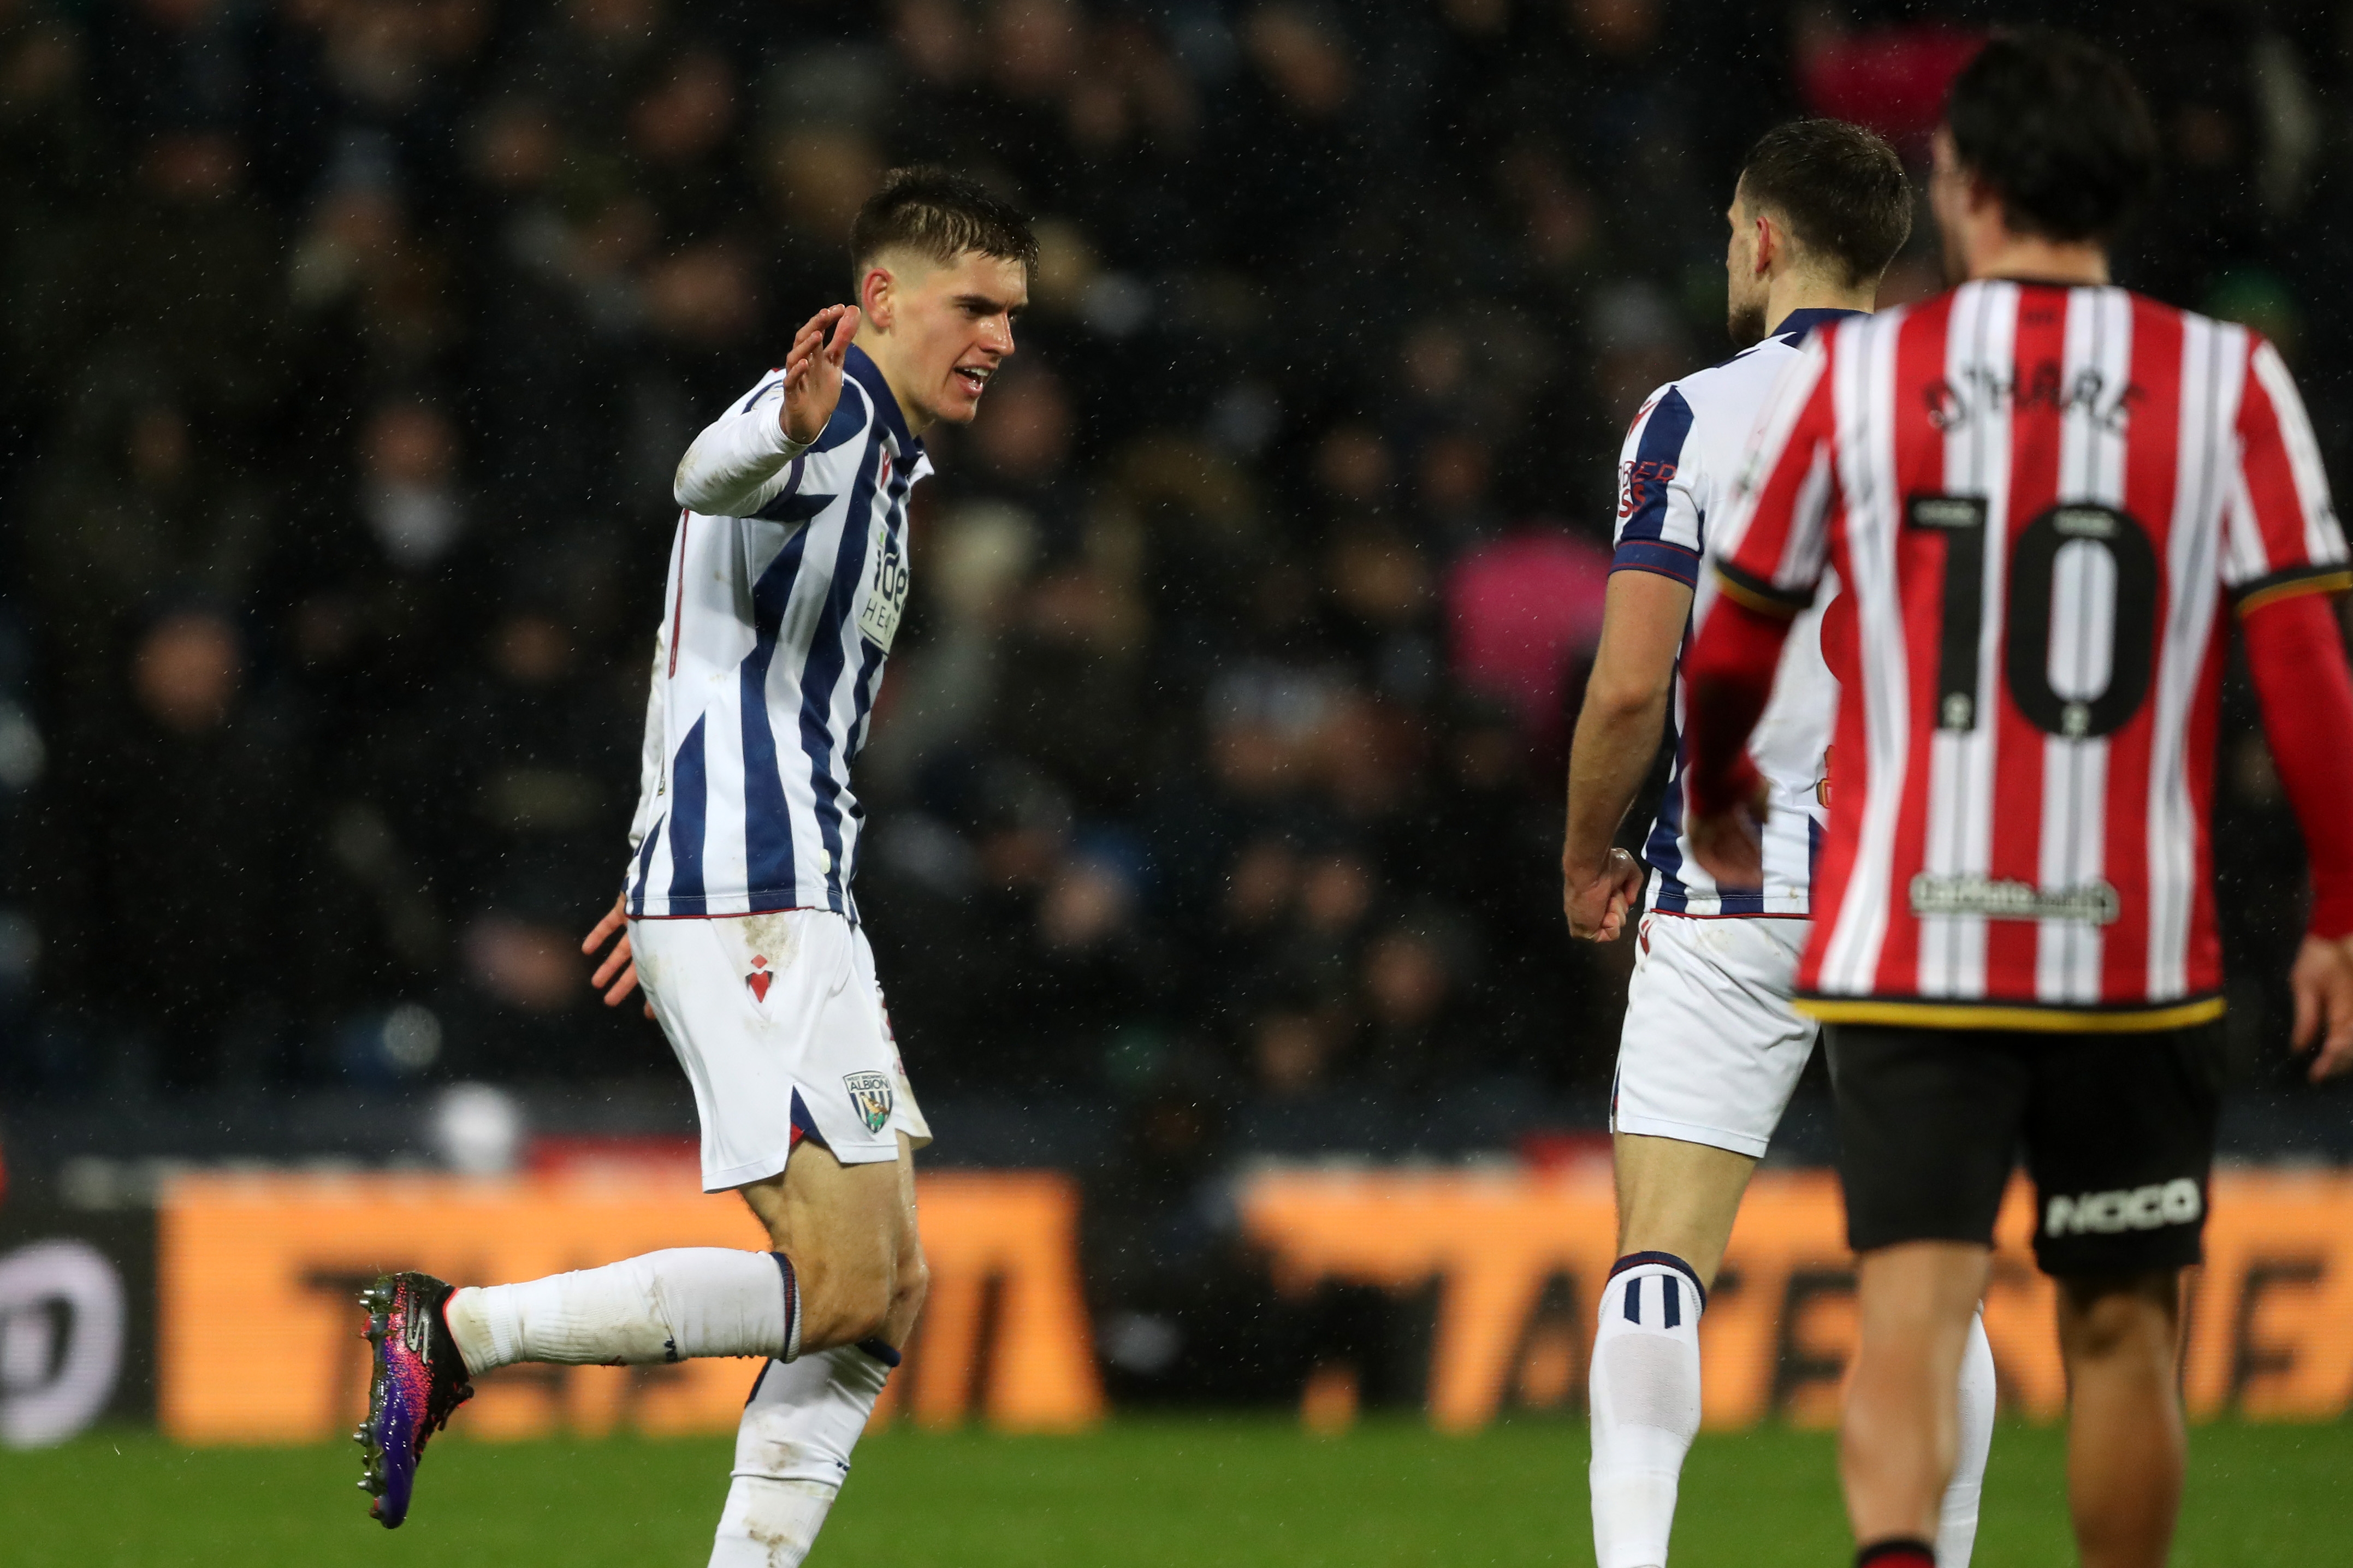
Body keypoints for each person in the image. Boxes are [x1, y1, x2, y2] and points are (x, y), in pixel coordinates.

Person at [1679, 33, 2353, 1568]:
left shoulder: (1865, 379)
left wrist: (1715, 784)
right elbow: (2305, 666)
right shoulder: (2222, 380)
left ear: (1963, 188)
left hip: (1915, 936)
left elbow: (1737, 635)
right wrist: (2336, 909)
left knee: (1909, 1310)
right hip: (2126, 949)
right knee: (2121, 1335)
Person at [353, 168, 1035, 1568]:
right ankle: (460, 1329)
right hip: (754, 891)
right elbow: (704, 469)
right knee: (849, 1281)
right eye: (977, 306)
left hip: (770, 887)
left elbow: (718, 655)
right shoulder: (831, 408)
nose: (1001, 340)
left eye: (1016, 316)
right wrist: (779, 421)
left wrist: (669, 864)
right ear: (884, 297)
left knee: (885, 1293)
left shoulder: (892, 456)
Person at [1561, 118, 1994, 1568]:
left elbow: (1629, 682)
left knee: (1660, 1252)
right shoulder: (1974, 418)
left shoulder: (1691, 415)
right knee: (1937, 1274)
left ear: (1759, 240)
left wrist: (1582, 850)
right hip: (1925, 895)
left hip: (1728, 886)